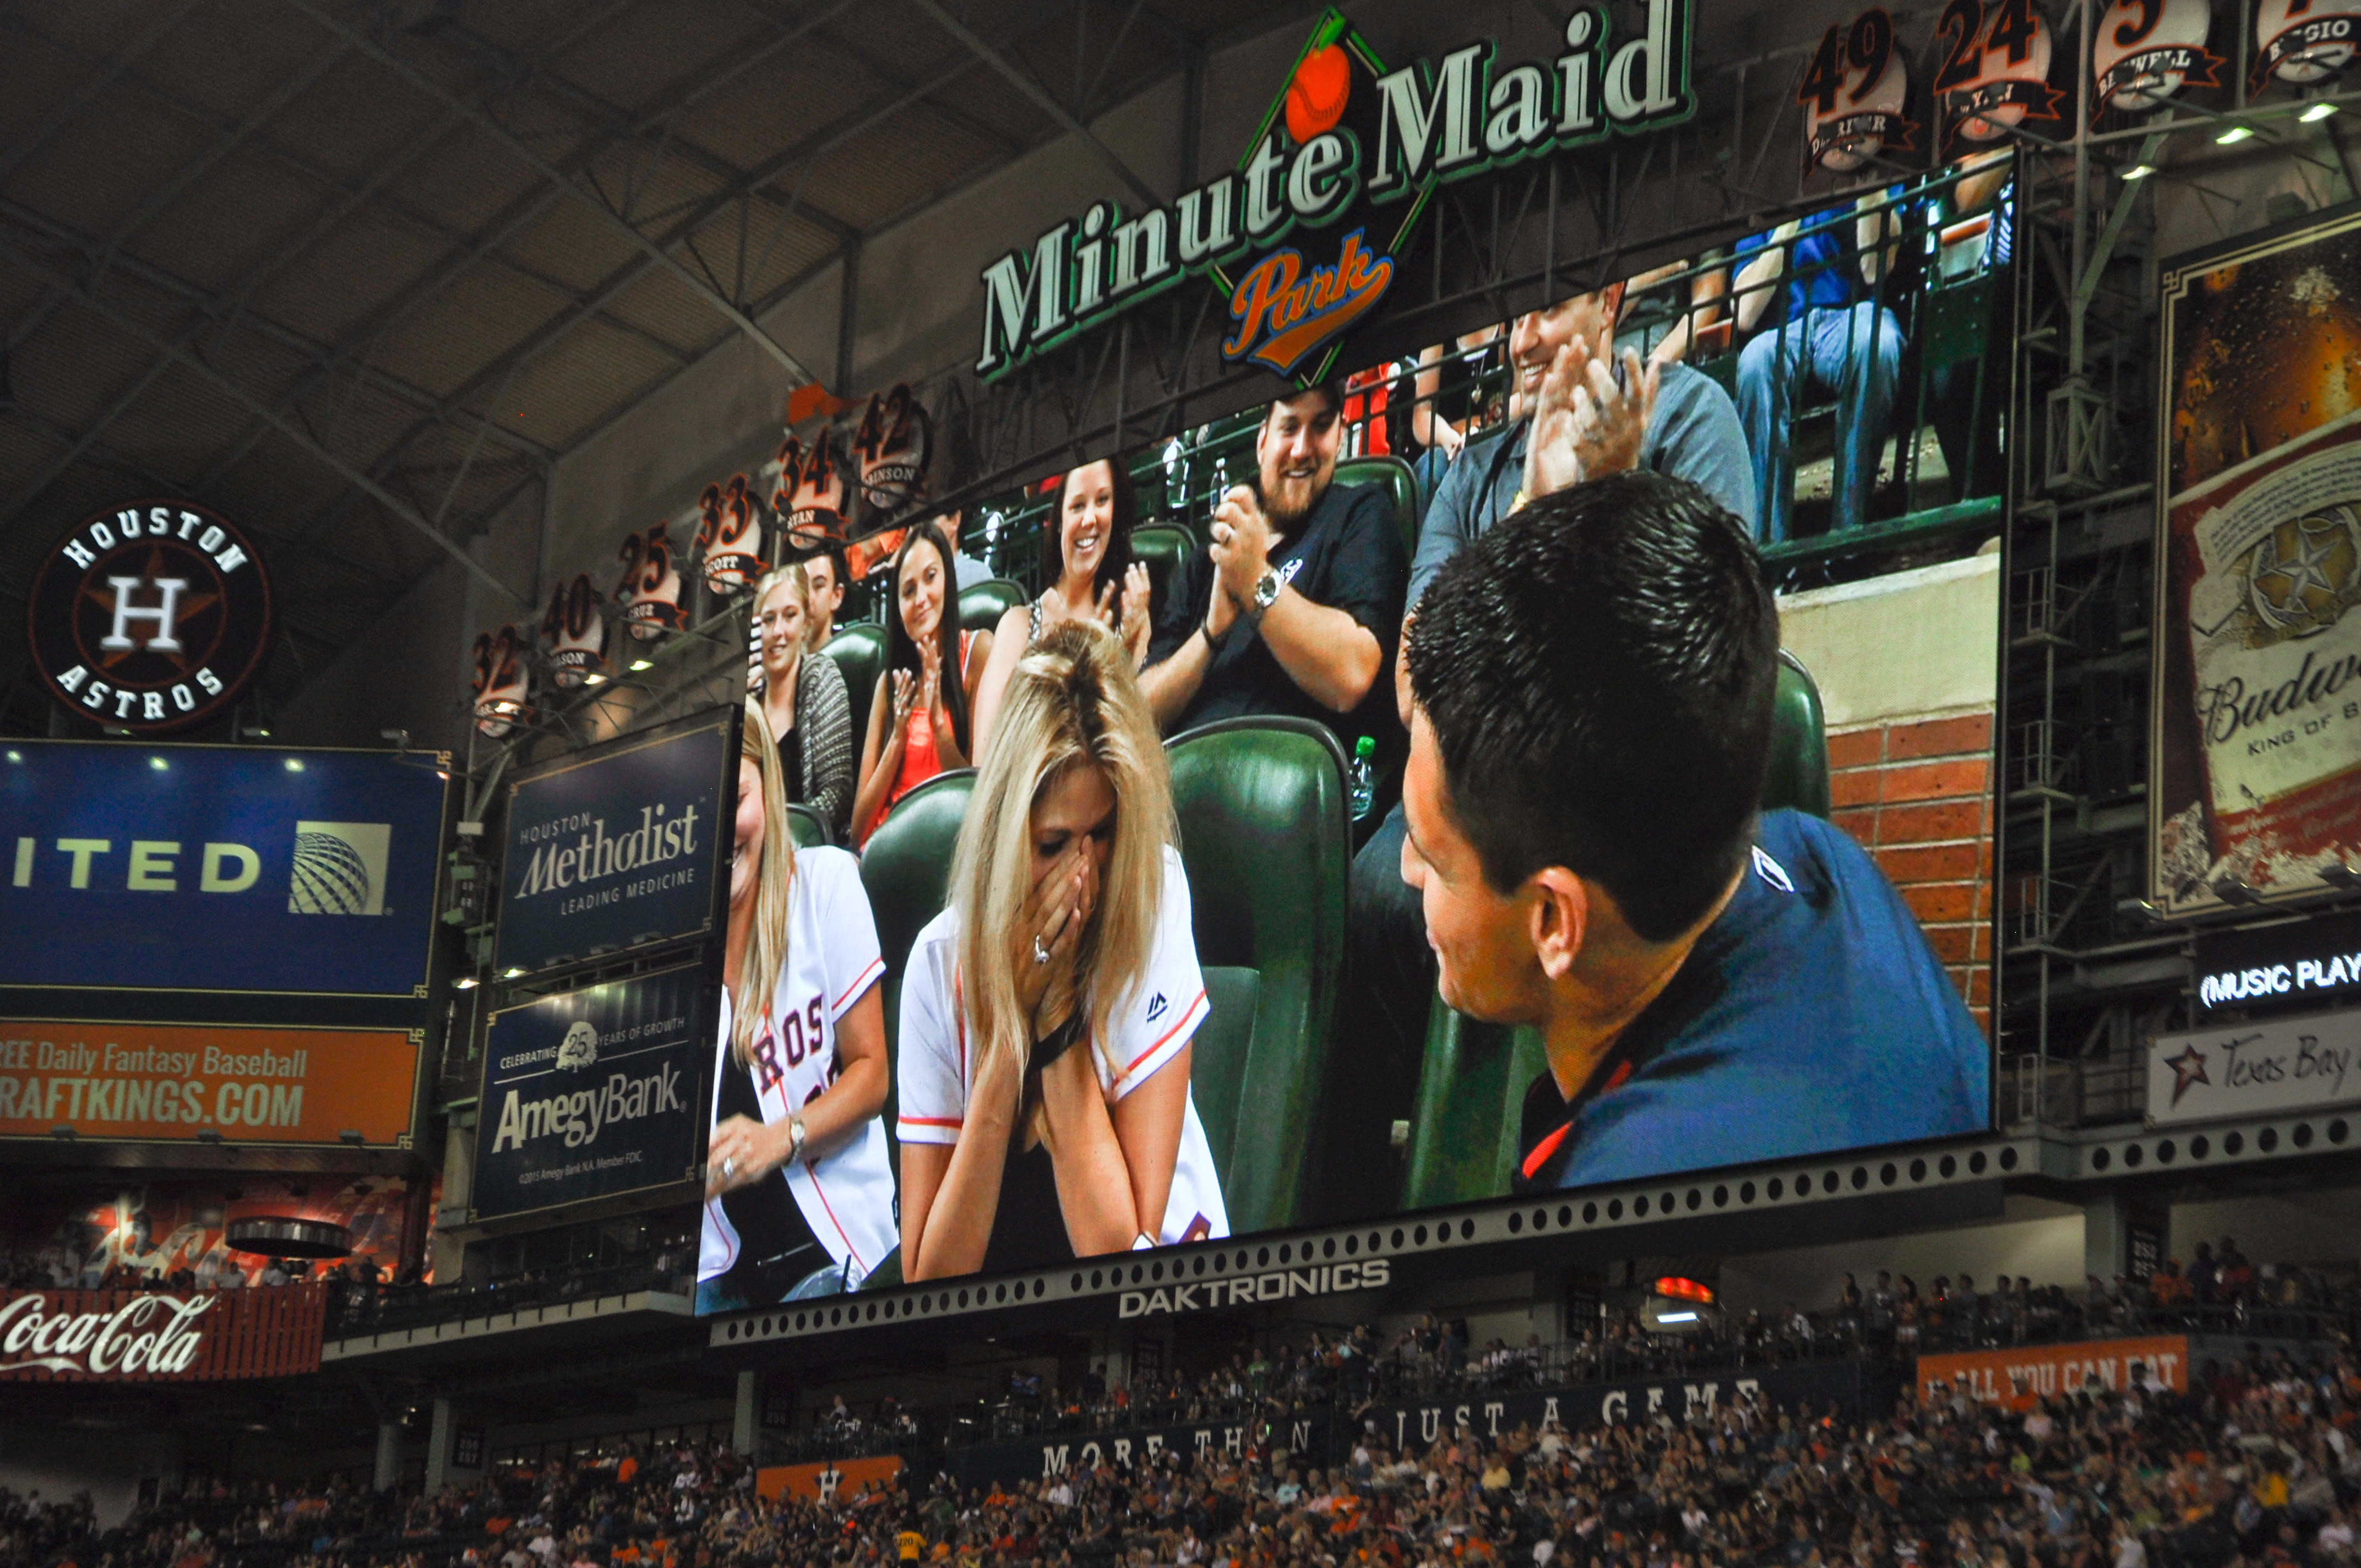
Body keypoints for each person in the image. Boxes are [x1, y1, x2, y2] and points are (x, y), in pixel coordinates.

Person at [1396, 472, 1987, 1191]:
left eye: (1432, 854)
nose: (1407, 872)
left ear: (1555, 921)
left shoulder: (1639, 1193)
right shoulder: (1818, 857)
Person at [1332, 281, 1754, 1213]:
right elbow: (1412, 687)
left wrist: (1612, 497)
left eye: (1546, 313)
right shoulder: (1470, 471)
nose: (1522, 340)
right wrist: (1536, 497)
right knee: (1370, 883)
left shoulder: (1689, 410)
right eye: (1511, 317)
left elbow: (1719, 656)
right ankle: (1391, 1173)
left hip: (1625, 780)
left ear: (1607, 303)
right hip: (1477, 781)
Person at [896, 619, 1228, 1279]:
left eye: (1100, 834)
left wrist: (1053, 1015)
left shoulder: (1151, 892)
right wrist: (1002, 1058)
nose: (1082, 875)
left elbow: (1119, 1251)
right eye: (1052, 844)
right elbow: (927, 1279)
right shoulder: (937, 964)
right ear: (1002, 832)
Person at [699, 701, 896, 1309]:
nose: (722, 830)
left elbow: (871, 1077)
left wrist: (777, 1139)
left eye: (737, 800)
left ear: (769, 789)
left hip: (831, 1256)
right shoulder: (670, 964)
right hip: (716, 1278)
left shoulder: (827, 885)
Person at [1140, 384, 1406, 750]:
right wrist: (1210, 634)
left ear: (1340, 437)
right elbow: (1141, 713)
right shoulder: (1207, 561)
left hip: (1291, 789)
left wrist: (1256, 582)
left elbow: (1352, 675)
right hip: (1185, 782)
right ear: (1262, 441)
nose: (1302, 449)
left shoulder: (1359, 514)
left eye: (1321, 427)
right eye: (1290, 427)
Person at [1731, 192, 1907, 542]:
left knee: (1878, 346)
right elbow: (1745, 312)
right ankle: (1769, 551)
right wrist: (1788, 224)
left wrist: (1868, 191)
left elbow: (1875, 270)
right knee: (1754, 364)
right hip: (1783, 327)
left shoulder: (1872, 175)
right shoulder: (1768, 191)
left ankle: (1849, 534)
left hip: (1851, 313)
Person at [972, 458, 1153, 753]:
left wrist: (1127, 654)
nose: (1090, 518)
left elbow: (1138, 746)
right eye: (1078, 506)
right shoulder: (1018, 625)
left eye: (1102, 501)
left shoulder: (1132, 617)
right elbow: (983, 756)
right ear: (1058, 522)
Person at [851, 521, 993, 846]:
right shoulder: (890, 684)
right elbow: (859, 829)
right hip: (886, 849)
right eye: (908, 590)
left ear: (948, 578)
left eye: (931, 577)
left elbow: (976, 797)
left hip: (948, 846)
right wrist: (898, 738)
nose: (921, 599)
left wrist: (938, 725)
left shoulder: (978, 651)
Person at [751, 564, 855, 841]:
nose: (778, 631)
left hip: (811, 850)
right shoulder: (750, 703)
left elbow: (838, 795)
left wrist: (777, 838)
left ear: (806, 624)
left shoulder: (822, 677)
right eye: (768, 619)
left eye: (790, 616)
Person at [799, 541, 850, 651]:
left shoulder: (847, 663)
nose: (809, 597)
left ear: (837, 596)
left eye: (818, 586)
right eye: (802, 586)